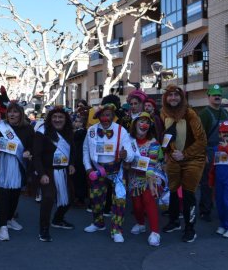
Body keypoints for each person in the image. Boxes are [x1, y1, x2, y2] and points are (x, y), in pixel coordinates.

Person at [82, 100, 135, 243]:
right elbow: (86, 150)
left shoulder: (121, 130)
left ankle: (117, 230)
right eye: (103, 115)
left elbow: (129, 151)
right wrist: (87, 167)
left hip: (117, 169)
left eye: (109, 115)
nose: (106, 118)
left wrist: (126, 155)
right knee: (96, 199)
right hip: (98, 169)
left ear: (113, 116)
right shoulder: (92, 130)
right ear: (98, 116)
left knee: (119, 200)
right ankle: (98, 223)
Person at [160, 85, 207, 243]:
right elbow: (164, 137)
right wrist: (167, 154)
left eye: (176, 95)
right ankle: (174, 221)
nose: (173, 98)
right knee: (173, 191)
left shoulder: (190, 114)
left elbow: (202, 141)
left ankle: (190, 228)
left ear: (182, 98)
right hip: (173, 159)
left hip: (193, 159)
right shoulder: (163, 114)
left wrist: (185, 154)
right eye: (170, 95)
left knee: (188, 194)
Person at [0, 102, 34, 241]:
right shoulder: (0, 128)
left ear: (21, 114)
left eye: (15, 112)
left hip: (19, 165)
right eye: (10, 112)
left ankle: (9, 218)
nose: (12, 114)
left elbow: (33, 145)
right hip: (3, 164)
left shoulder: (28, 129)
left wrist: (28, 151)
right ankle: (3, 227)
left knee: (15, 194)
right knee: (3, 194)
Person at [33, 106, 76, 242]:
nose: (57, 120)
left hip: (63, 170)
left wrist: (72, 164)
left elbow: (73, 152)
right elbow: (36, 156)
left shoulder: (69, 132)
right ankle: (44, 229)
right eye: (54, 117)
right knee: (48, 197)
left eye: (60, 117)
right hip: (48, 171)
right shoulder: (42, 132)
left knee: (71, 197)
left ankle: (58, 219)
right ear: (50, 119)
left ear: (65, 119)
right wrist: (42, 174)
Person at [127, 112, 164, 246]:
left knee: (149, 201)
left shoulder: (153, 143)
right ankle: (141, 223)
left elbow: (152, 163)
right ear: (135, 124)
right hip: (134, 177)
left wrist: (151, 181)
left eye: (147, 122)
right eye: (141, 121)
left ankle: (155, 232)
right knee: (136, 205)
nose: (144, 125)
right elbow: (126, 160)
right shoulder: (128, 141)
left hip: (151, 177)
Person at [197, 84, 228, 222]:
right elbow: (200, 136)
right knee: (207, 182)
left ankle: (225, 209)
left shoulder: (225, 112)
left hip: (224, 151)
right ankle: (205, 210)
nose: (217, 97)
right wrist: (203, 153)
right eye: (214, 95)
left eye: (219, 95)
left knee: (223, 181)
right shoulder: (205, 114)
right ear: (209, 97)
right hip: (210, 151)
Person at [208, 120, 228, 239]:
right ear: (219, 134)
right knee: (220, 203)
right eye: (223, 132)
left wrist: (227, 148)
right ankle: (224, 224)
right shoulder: (217, 148)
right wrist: (211, 179)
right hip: (219, 181)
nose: (226, 134)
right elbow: (214, 165)